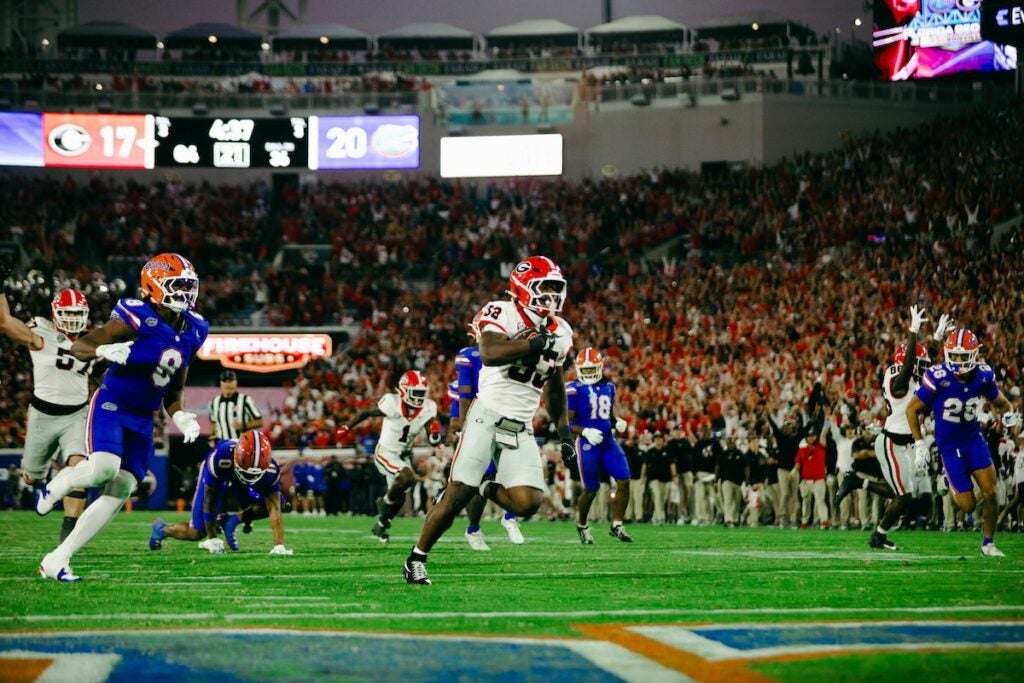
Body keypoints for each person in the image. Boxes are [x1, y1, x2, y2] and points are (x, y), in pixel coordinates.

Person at [403, 256, 576, 584]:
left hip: (521, 424)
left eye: (557, 288)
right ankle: (417, 558)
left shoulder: (563, 332)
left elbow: (555, 388)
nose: (552, 295)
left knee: (528, 503)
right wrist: (535, 343)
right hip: (487, 415)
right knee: (455, 496)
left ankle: (482, 485)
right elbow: (490, 352)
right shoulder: (502, 311)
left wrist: (565, 435)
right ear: (522, 287)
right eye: (545, 287)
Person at [36, 253, 208, 581]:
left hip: (144, 416)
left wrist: (181, 415)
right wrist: (102, 350)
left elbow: (174, 388)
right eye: (177, 285)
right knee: (103, 469)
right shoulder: (137, 315)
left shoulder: (195, 329)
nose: (186, 292)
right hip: (113, 402)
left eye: (189, 285)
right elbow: (80, 346)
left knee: (122, 488)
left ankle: (59, 557)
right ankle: (62, 481)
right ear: (153, 287)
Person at [907, 327, 1020, 557]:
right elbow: (912, 409)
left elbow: (1002, 403)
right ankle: (948, 478)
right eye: (954, 355)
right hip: (950, 446)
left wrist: (1009, 414)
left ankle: (988, 543)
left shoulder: (984, 375)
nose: (958, 361)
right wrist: (919, 443)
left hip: (973, 439)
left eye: (962, 356)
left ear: (974, 355)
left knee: (991, 492)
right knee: (967, 505)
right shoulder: (938, 377)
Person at [1, 264, 93, 542]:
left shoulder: (94, 338)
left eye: (78, 314)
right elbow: (5, 322)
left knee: (80, 468)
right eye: (69, 313)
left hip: (78, 413)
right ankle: (39, 484)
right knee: (31, 477)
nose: (74, 319)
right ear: (55, 314)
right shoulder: (40, 332)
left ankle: (69, 531)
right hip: (43, 415)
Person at [857, 306, 933, 550]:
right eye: (917, 363)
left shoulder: (910, 376)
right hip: (891, 442)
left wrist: (937, 339)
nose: (922, 367)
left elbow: (919, 361)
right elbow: (911, 364)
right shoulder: (896, 378)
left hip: (903, 443)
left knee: (906, 496)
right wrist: (913, 331)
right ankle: (877, 535)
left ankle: (879, 532)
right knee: (902, 497)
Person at [448, 314, 524, 551]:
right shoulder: (469, 356)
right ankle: (473, 528)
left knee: (517, 469)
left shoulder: (508, 352)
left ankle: (510, 517)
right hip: (481, 418)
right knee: (481, 479)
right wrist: (466, 428)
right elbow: (464, 398)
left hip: (506, 414)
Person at [149, 430, 292, 555]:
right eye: (247, 473)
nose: (250, 477)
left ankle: (232, 520)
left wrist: (279, 545)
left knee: (279, 503)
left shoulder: (271, 469)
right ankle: (162, 529)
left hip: (238, 470)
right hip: (224, 474)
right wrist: (212, 538)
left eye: (254, 474)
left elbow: (274, 507)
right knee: (197, 532)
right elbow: (209, 500)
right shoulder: (221, 459)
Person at [339, 369, 442, 543]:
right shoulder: (391, 403)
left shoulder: (428, 408)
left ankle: (382, 523)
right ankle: (384, 503)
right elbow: (366, 413)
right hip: (386, 451)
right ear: (403, 391)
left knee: (400, 496)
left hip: (404, 455)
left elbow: (433, 440)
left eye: (421, 394)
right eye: (414, 393)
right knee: (406, 478)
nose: (418, 398)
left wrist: (435, 434)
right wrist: (347, 426)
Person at [567, 347, 633, 544]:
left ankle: (617, 525)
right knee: (591, 489)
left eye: (591, 369)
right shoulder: (573, 389)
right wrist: (585, 432)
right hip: (588, 443)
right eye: (584, 370)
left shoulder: (609, 387)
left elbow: (608, 416)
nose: (588, 373)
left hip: (608, 442)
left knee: (624, 480)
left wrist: (616, 422)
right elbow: (567, 423)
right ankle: (582, 525)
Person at [207, 369, 263, 446]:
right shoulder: (214, 402)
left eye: (230, 381)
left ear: (236, 382)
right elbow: (213, 422)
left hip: (242, 444)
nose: (228, 384)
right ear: (221, 383)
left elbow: (260, 421)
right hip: (222, 444)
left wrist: (244, 425)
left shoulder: (245, 400)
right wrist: (212, 436)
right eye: (225, 381)